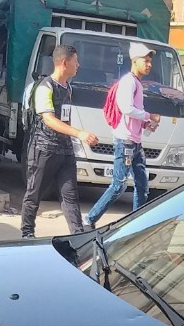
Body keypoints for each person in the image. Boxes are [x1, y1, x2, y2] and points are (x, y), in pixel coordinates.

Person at [20, 43, 97, 239]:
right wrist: (78, 133)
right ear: (64, 62)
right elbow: (49, 119)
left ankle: (78, 236)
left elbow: (65, 117)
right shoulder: (45, 87)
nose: (78, 65)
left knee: (70, 195)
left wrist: (73, 138)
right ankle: (27, 233)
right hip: (44, 149)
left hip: (65, 150)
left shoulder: (68, 87)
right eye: (75, 61)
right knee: (34, 193)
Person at [87, 42, 161, 226]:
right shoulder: (128, 82)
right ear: (134, 61)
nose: (149, 64)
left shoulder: (136, 83)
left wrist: (146, 124)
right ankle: (89, 219)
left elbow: (134, 111)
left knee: (142, 186)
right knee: (119, 185)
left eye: (150, 60)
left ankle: (136, 223)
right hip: (125, 142)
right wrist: (149, 116)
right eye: (145, 60)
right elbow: (126, 109)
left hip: (134, 143)